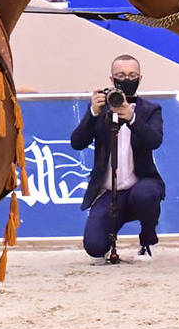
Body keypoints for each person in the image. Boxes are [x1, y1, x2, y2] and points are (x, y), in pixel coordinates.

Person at [70, 55, 164, 262]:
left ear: (140, 78)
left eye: (132, 75)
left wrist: (131, 117)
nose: (127, 79)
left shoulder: (150, 109)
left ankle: (147, 242)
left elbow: (154, 140)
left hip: (140, 185)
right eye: (121, 75)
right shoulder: (100, 108)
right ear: (111, 80)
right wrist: (93, 112)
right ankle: (109, 234)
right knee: (94, 247)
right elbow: (77, 143)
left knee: (146, 194)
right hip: (109, 192)